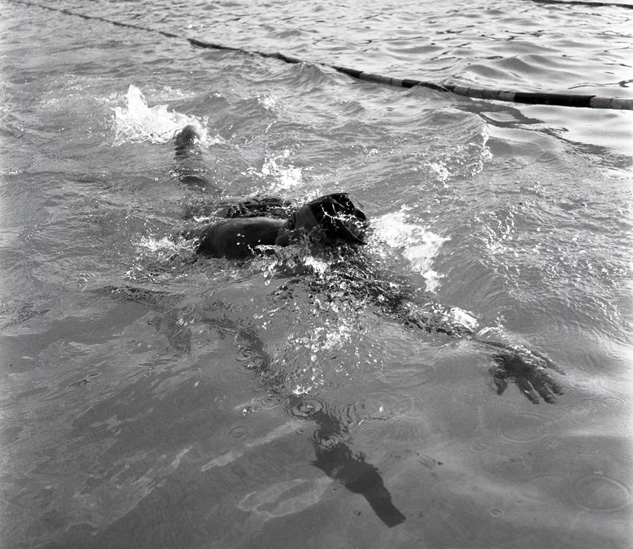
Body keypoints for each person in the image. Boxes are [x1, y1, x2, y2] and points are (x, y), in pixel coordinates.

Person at [176, 125, 564, 405]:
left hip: (293, 219)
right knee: (198, 192)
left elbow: (416, 310)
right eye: (290, 225)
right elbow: (190, 245)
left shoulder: (349, 265)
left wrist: (493, 341)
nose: (286, 238)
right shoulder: (245, 235)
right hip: (235, 216)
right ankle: (187, 142)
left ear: (330, 250)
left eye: (297, 233)